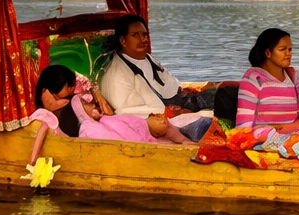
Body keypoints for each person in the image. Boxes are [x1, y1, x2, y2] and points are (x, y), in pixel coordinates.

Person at [28, 65, 186, 164]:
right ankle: (165, 147)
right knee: (126, 139)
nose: (71, 89)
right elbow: (42, 130)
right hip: (92, 132)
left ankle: (181, 141)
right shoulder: (47, 114)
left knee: (134, 129)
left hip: (103, 123)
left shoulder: (73, 98)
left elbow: (92, 108)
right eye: (67, 86)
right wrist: (33, 161)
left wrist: (95, 111)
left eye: (71, 86)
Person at [98, 14, 211, 142]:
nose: (143, 39)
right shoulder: (116, 74)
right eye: (135, 35)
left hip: (178, 102)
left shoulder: (147, 58)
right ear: (123, 40)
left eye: (144, 35)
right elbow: (127, 112)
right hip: (164, 118)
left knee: (225, 92)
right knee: (208, 121)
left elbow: (171, 85)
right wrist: (171, 113)